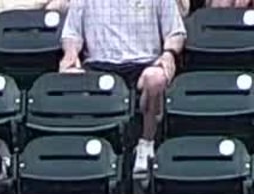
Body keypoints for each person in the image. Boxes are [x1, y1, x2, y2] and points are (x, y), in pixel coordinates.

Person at [58, 0, 186, 176]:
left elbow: (176, 32)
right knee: (68, 77)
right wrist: (70, 53)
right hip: (98, 65)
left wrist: (169, 53)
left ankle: (146, 144)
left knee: (156, 79)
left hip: (144, 63)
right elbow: (71, 33)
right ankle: (78, 153)